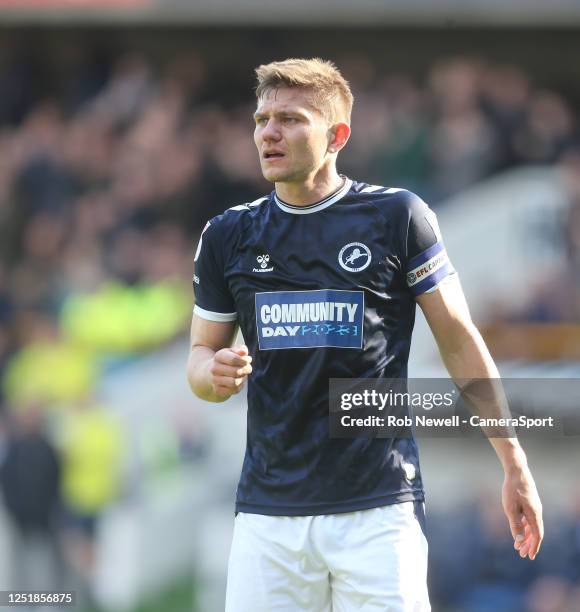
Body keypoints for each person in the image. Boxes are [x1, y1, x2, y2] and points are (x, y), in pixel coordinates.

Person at [186, 58, 543, 612]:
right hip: (268, 517)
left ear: (337, 136)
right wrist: (212, 374)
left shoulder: (397, 217)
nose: (269, 132)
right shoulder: (228, 234)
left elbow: (459, 338)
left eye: (291, 119)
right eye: (261, 119)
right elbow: (200, 359)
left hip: (377, 511)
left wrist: (513, 461)